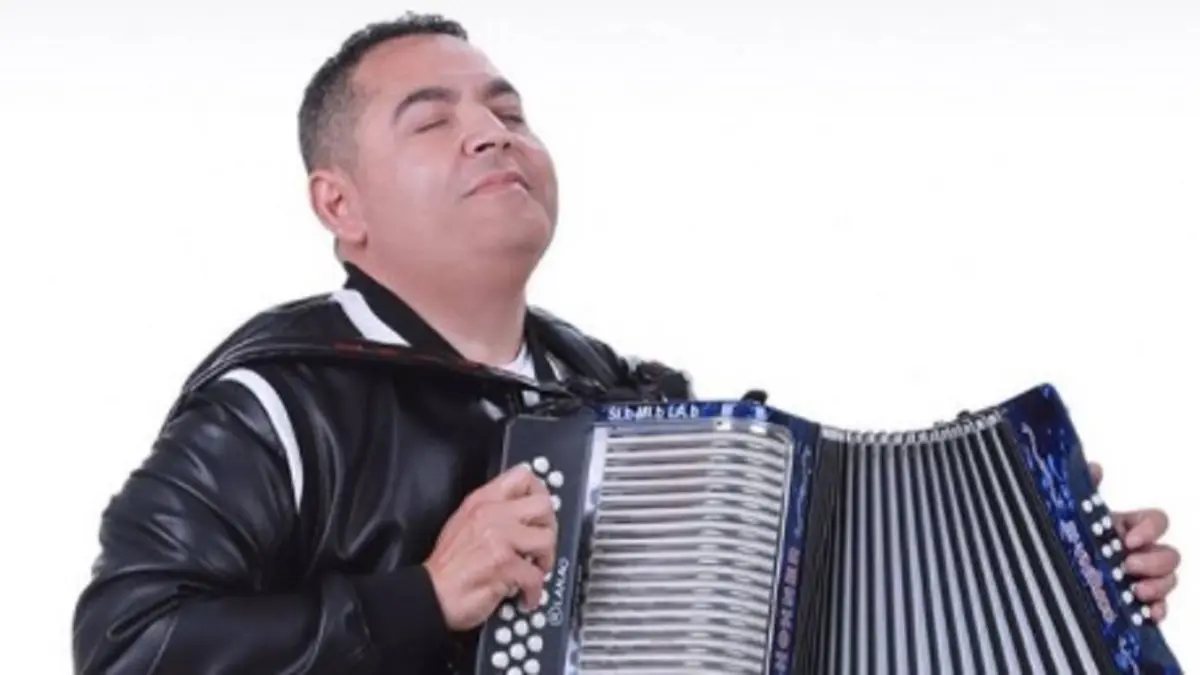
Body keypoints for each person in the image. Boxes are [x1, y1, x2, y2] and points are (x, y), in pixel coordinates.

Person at [71, 12, 1181, 675]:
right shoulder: (277, 404)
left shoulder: (626, 399)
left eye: (509, 111)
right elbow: (126, 645)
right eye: (434, 118)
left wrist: (1055, 579)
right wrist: (424, 598)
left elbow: (791, 625)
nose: (492, 131)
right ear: (339, 204)